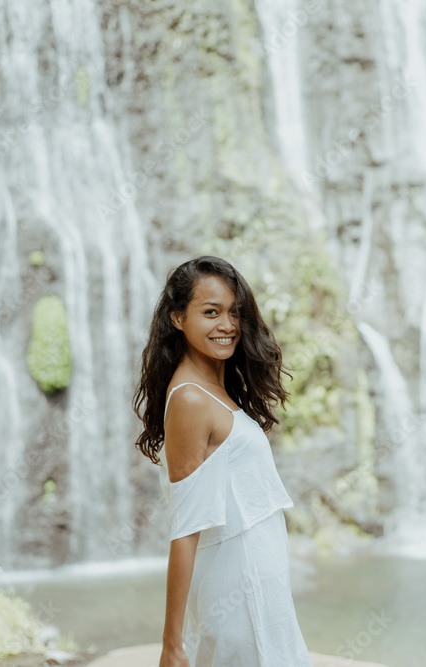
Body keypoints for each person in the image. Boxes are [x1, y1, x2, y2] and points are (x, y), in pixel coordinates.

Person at [132, 255, 314, 667]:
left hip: (256, 585)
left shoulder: (212, 387)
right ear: (178, 318)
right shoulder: (192, 399)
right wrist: (172, 644)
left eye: (234, 312)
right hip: (239, 591)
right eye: (211, 312)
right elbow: (186, 527)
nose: (228, 325)